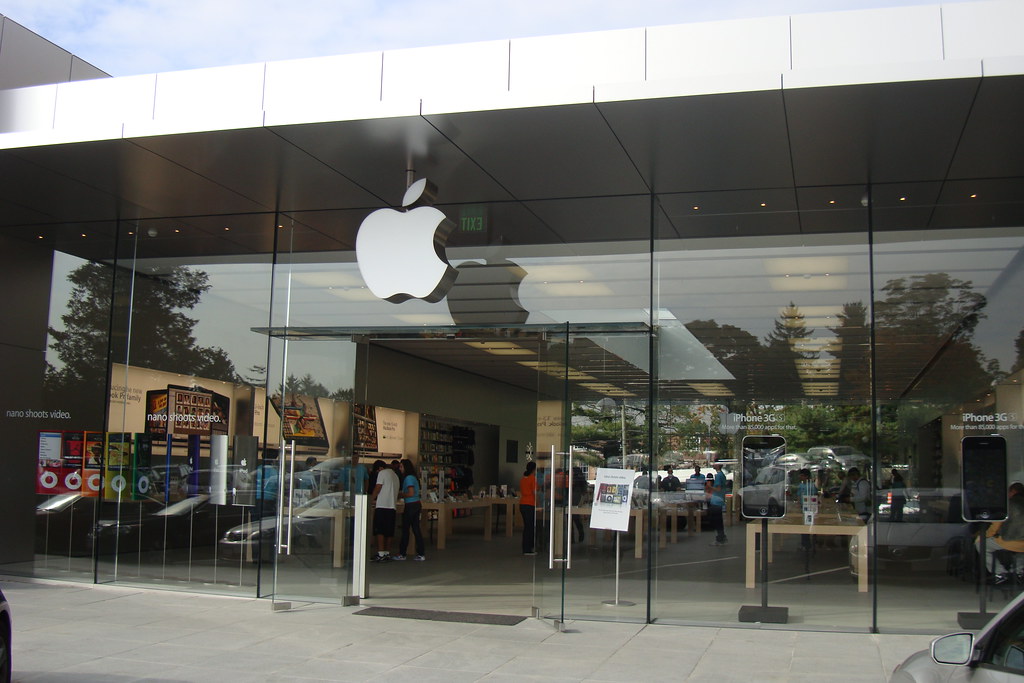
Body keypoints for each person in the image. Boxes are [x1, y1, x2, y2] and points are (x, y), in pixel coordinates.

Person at [981, 482, 1024, 584]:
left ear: (1013, 491)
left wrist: (985, 535)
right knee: (1020, 551)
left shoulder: (1008, 505)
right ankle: (1018, 572)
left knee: (981, 545)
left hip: (1009, 540)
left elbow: (996, 525)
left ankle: (1000, 573)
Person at [393, 459, 425, 561]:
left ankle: (402, 553)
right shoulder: (413, 477)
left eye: (401, 466)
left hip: (410, 505)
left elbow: (411, 493)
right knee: (416, 529)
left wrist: (401, 494)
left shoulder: (408, 478)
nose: (400, 469)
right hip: (416, 504)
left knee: (406, 530)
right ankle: (421, 553)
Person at [370, 459, 400, 562]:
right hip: (392, 506)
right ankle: (387, 553)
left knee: (380, 530)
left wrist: (371, 499)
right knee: (389, 531)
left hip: (382, 506)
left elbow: (378, 487)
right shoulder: (395, 476)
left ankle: (380, 553)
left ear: (379, 468)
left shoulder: (382, 473)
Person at [796, 468, 818, 550]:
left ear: (806, 476)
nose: (800, 477)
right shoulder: (801, 486)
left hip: (811, 507)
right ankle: (805, 544)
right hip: (803, 508)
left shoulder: (812, 486)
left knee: (811, 525)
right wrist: (798, 504)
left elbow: (816, 496)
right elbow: (798, 496)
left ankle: (813, 541)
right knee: (804, 526)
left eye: (802, 476)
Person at [707, 462, 728, 546]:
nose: (713, 464)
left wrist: (710, 487)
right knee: (718, 520)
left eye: (715, 463)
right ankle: (722, 537)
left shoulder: (718, 476)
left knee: (717, 521)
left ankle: (720, 538)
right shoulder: (721, 475)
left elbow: (718, 489)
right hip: (718, 500)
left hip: (716, 501)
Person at [520, 461, 538, 555]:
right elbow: (535, 492)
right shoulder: (532, 479)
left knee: (527, 527)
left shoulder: (523, 479)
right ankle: (528, 549)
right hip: (530, 504)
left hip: (522, 503)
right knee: (530, 527)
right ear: (534, 469)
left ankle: (526, 547)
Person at [570, 466, 587, 543]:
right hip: (577, 500)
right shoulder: (581, 479)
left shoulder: (574, 479)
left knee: (571, 520)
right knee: (576, 519)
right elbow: (584, 490)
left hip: (573, 500)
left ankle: (572, 538)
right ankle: (580, 534)